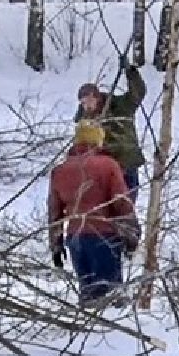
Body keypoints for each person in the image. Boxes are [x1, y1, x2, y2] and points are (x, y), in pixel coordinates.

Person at [48, 121, 139, 308]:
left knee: (88, 292)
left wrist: (56, 245)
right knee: (111, 295)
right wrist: (132, 234)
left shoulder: (60, 170)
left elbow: (54, 211)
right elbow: (121, 203)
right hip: (104, 235)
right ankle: (111, 332)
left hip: (75, 238)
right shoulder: (108, 165)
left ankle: (86, 329)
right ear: (98, 140)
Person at [74, 58, 147, 194]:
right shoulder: (84, 120)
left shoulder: (119, 106)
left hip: (125, 163)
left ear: (98, 97)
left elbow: (138, 93)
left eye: (90, 100)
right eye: (83, 103)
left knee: (127, 203)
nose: (87, 105)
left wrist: (130, 72)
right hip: (102, 169)